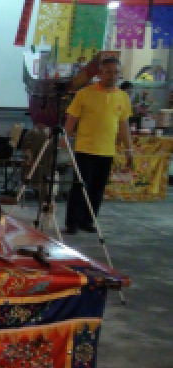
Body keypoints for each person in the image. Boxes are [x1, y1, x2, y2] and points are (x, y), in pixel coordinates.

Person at [62, 57, 134, 235]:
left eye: (116, 72)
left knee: (97, 189)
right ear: (100, 74)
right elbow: (72, 118)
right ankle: (73, 222)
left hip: (107, 151)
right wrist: (65, 138)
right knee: (80, 186)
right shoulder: (84, 93)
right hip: (85, 149)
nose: (112, 76)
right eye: (108, 72)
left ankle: (88, 220)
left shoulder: (123, 97)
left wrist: (129, 149)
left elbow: (123, 125)